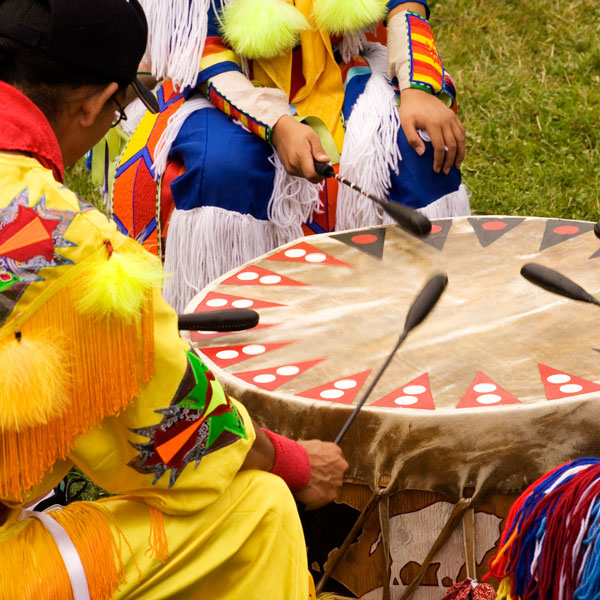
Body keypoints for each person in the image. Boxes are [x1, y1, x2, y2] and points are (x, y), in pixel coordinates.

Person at [0, 0, 348, 598]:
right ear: (92, 103)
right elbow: (170, 435)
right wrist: (292, 461)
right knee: (257, 509)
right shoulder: (65, 247)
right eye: (116, 111)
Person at [112, 0, 470, 312]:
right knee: (225, 169)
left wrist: (417, 88)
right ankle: (223, 332)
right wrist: (276, 125)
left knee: (416, 148)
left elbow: (404, 4)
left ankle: (418, 313)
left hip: (344, 62)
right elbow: (204, 52)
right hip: (223, 81)